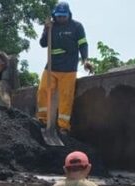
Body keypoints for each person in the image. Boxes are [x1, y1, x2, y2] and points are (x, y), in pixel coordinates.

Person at [36, 2, 94, 133]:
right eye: (59, 16)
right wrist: (46, 29)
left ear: (68, 15)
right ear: (54, 15)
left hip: (69, 68)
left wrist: (85, 59)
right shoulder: (51, 26)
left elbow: (83, 44)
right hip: (51, 67)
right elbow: (43, 44)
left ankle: (63, 126)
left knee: (66, 96)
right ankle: (42, 120)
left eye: (63, 16)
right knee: (43, 90)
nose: (61, 18)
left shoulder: (77, 27)